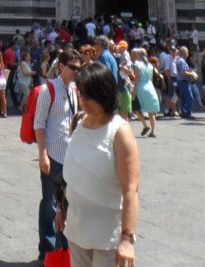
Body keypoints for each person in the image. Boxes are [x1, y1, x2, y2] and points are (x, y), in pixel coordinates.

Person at [58, 61, 140, 267]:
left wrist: (127, 239)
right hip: (77, 229)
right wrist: (61, 208)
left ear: (104, 94)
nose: (84, 100)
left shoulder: (120, 132)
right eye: (81, 93)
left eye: (90, 95)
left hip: (108, 237)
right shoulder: (77, 121)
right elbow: (72, 171)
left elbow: (131, 189)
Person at [33, 49, 80, 263]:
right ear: (61, 66)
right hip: (52, 156)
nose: (76, 72)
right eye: (73, 67)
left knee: (67, 206)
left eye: (79, 68)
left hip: (71, 157)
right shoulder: (47, 90)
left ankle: (64, 250)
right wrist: (42, 154)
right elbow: (39, 124)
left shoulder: (74, 90)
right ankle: (47, 251)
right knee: (50, 205)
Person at [130, 48, 159, 138]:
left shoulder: (137, 64)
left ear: (138, 55)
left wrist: (134, 89)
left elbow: (137, 78)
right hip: (149, 86)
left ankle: (145, 125)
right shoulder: (150, 65)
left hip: (140, 86)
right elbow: (151, 78)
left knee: (136, 106)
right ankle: (153, 131)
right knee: (151, 110)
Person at [175, 46, 197, 119]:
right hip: (183, 81)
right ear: (184, 53)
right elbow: (183, 72)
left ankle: (184, 112)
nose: (188, 54)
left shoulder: (180, 60)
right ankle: (188, 113)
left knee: (184, 98)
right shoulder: (181, 61)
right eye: (187, 52)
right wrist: (192, 74)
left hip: (181, 81)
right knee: (189, 97)